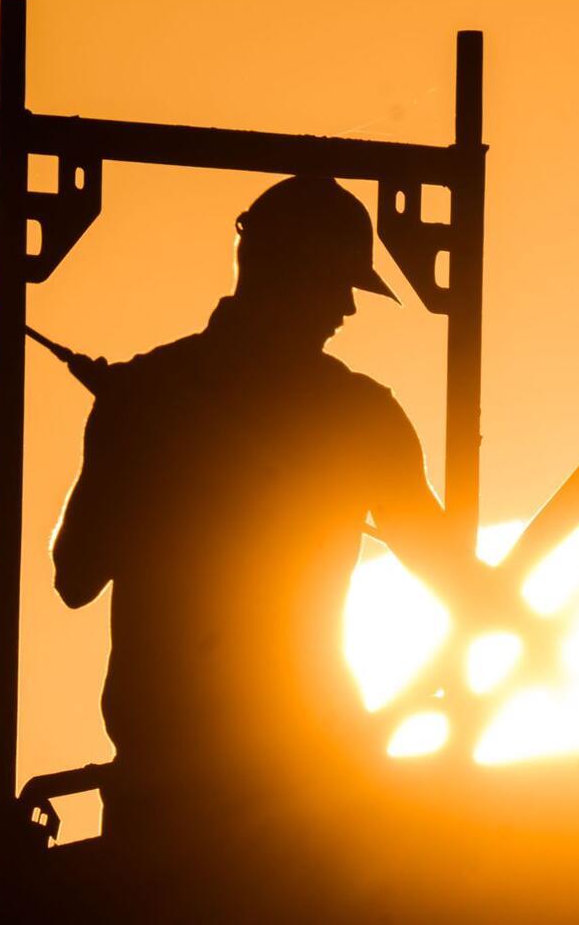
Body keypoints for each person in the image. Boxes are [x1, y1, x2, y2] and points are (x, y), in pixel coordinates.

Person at [49, 175, 484, 866]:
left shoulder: (147, 397)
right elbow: (452, 572)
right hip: (292, 783)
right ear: (283, 274)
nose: (346, 307)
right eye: (335, 283)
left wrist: (129, 435)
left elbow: (75, 572)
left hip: (174, 790)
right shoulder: (356, 415)